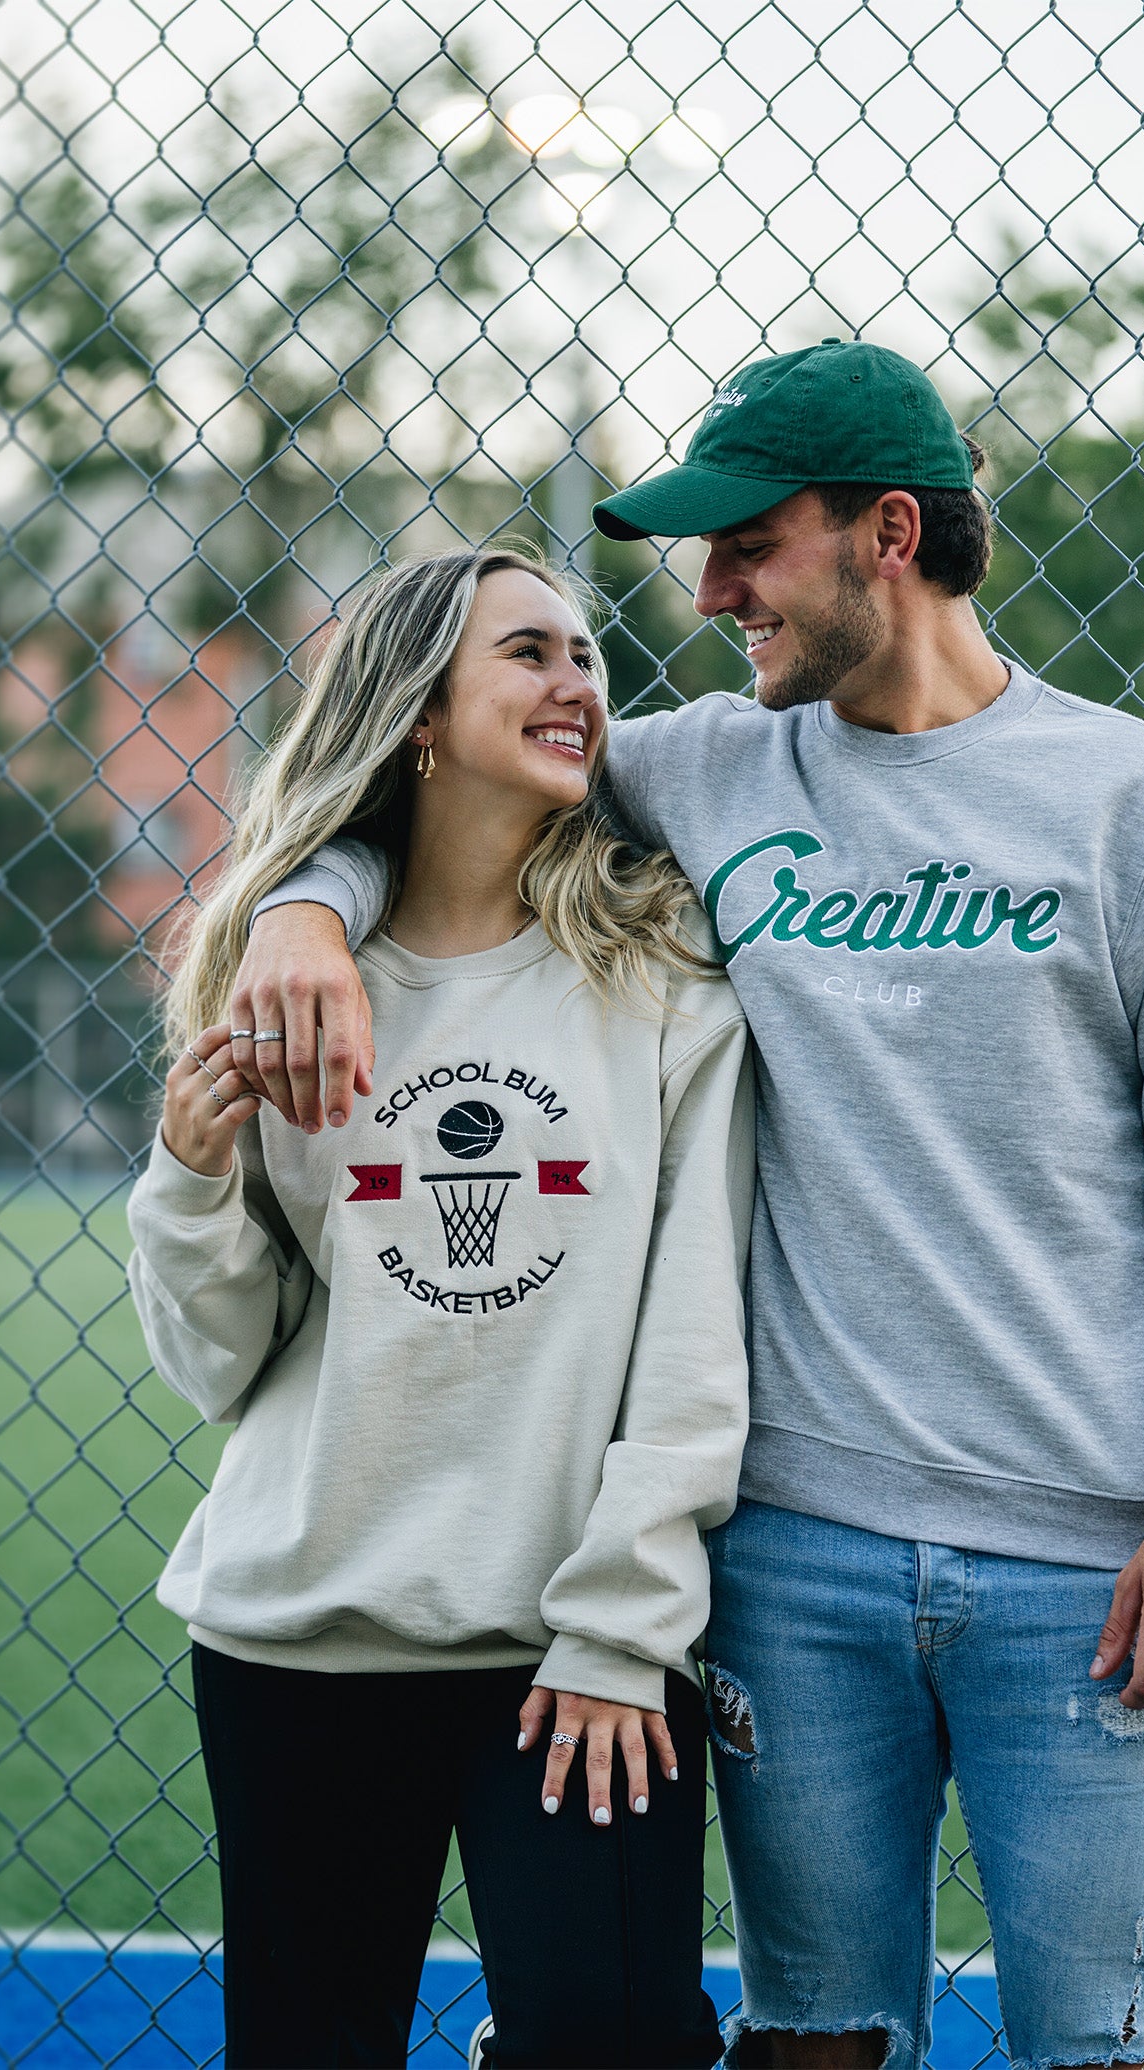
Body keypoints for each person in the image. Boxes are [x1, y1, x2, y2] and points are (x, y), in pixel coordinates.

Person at [224, 341, 1144, 2070]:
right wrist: (301, 906)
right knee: (814, 2043)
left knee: (1110, 2047)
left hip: (1085, 1557)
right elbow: (438, 779)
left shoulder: (1138, 804)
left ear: (890, 533)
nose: (712, 586)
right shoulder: (712, 766)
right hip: (794, 1552)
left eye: (751, 544)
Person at [130, 543, 754, 2068]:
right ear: (418, 708)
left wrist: (624, 1628)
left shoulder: (659, 972)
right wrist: (190, 1173)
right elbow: (224, 1362)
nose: (576, 683)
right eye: (528, 653)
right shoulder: (293, 981)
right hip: (308, 1627)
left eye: (586, 655)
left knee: (618, 2042)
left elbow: (692, 1345)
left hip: (565, 1649)